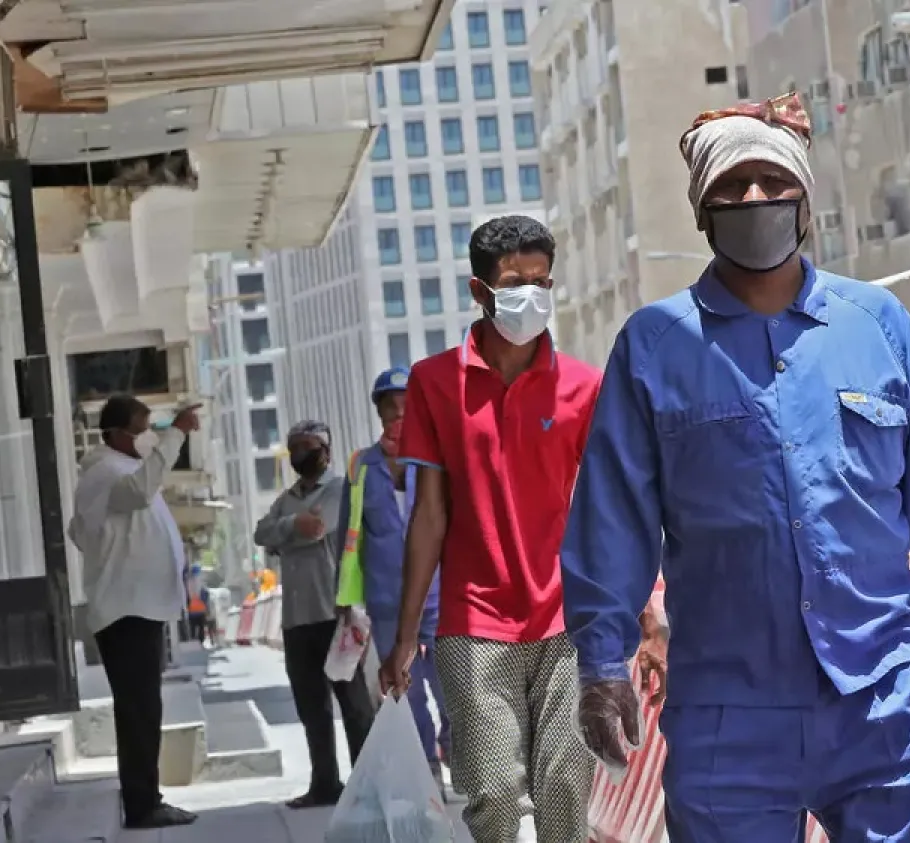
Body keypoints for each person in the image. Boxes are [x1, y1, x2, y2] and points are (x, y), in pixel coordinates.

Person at [559, 93, 910, 843]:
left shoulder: (877, 325)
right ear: (701, 214)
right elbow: (611, 520)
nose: (755, 199)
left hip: (882, 699)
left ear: (806, 200)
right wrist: (601, 661)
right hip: (728, 714)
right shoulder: (654, 347)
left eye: (772, 181)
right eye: (732, 188)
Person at [380, 215, 662, 842]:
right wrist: (404, 637)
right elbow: (429, 513)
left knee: (564, 788)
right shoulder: (434, 383)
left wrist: (640, 607)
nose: (530, 296)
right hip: (471, 624)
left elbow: (614, 506)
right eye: (513, 283)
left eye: (541, 282)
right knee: (493, 793)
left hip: (568, 620)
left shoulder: (584, 387)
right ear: (480, 292)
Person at [68, 395, 199, 829]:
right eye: (145, 428)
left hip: (137, 606)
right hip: (126, 610)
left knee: (145, 709)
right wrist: (176, 432)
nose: (151, 437)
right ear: (120, 434)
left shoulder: (119, 472)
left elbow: (80, 532)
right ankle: (143, 805)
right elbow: (140, 493)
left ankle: (148, 797)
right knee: (139, 711)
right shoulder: (105, 472)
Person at [335, 367, 452, 789]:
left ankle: (452, 745)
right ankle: (426, 769)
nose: (399, 414)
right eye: (391, 406)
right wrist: (346, 601)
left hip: (440, 594)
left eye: (406, 405)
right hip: (386, 600)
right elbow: (348, 535)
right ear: (380, 412)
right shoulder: (362, 467)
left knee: (453, 686)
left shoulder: (437, 458)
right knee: (406, 692)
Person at [255, 420, 377, 809]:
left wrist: (291, 533)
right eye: (293, 448)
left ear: (325, 450)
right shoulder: (286, 500)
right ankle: (325, 783)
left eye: (306, 446)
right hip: (296, 618)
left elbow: (322, 528)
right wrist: (293, 525)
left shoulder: (342, 490)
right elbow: (264, 532)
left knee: (354, 704)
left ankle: (367, 784)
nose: (298, 455)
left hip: (337, 614)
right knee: (312, 708)